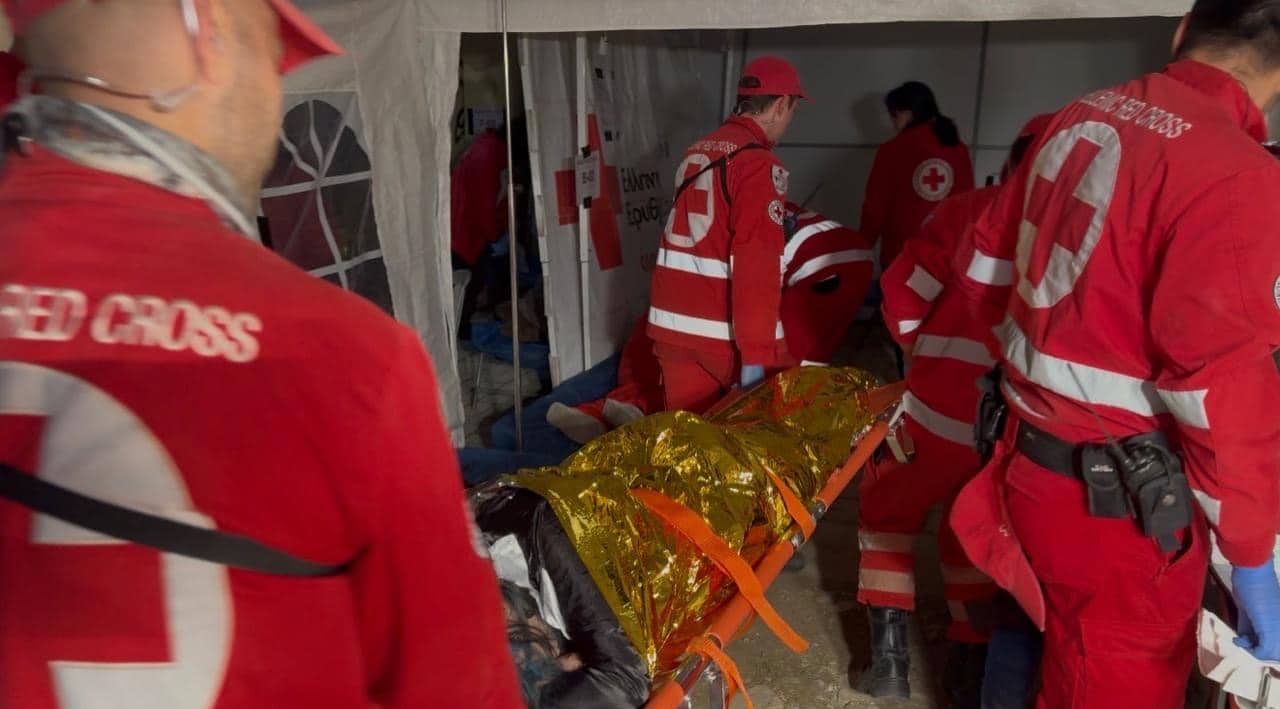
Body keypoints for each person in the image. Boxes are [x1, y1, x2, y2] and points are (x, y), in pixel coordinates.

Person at [0, 2, 522, 707]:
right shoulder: (344, 358)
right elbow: (460, 690)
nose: (274, 106)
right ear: (209, 36)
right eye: (269, 60)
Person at [949, 2, 1280, 706]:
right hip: (1119, 513)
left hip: (1025, 459)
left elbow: (979, 271)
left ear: (1182, 31)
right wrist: (1251, 555)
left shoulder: (1078, 113)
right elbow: (1219, 389)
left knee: (1037, 641)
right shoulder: (1236, 171)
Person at [853, 115, 1048, 706]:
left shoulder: (968, 211)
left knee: (886, 513)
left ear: (1011, 160)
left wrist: (921, 352)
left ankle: (889, 664)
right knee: (971, 532)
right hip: (1008, 428)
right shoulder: (1074, 231)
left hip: (934, 409)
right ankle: (967, 668)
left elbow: (903, 294)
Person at [646, 55, 804, 413]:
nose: (788, 123)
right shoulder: (758, 164)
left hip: (671, 328)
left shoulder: (698, 149)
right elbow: (756, 267)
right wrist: (757, 355)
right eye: (793, 111)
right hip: (720, 336)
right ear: (780, 105)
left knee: (689, 438)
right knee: (772, 430)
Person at [861, 81, 975, 273]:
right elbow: (968, 203)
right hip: (948, 254)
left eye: (894, 115)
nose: (893, 123)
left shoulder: (892, 150)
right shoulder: (958, 148)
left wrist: (863, 246)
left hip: (902, 254)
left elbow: (875, 208)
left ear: (907, 113)